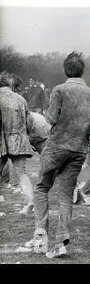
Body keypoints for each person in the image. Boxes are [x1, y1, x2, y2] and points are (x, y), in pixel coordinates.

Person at [26, 51, 90, 258]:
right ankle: (62, 237)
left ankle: (40, 231)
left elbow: (50, 119)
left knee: (42, 187)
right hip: (79, 149)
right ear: (82, 71)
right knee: (66, 194)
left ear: (65, 70)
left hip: (57, 146)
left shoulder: (59, 90)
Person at [0, 73, 35, 214]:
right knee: (22, 173)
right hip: (19, 140)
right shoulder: (21, 99)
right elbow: (30, 122)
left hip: (2, 140)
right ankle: (31, 200)